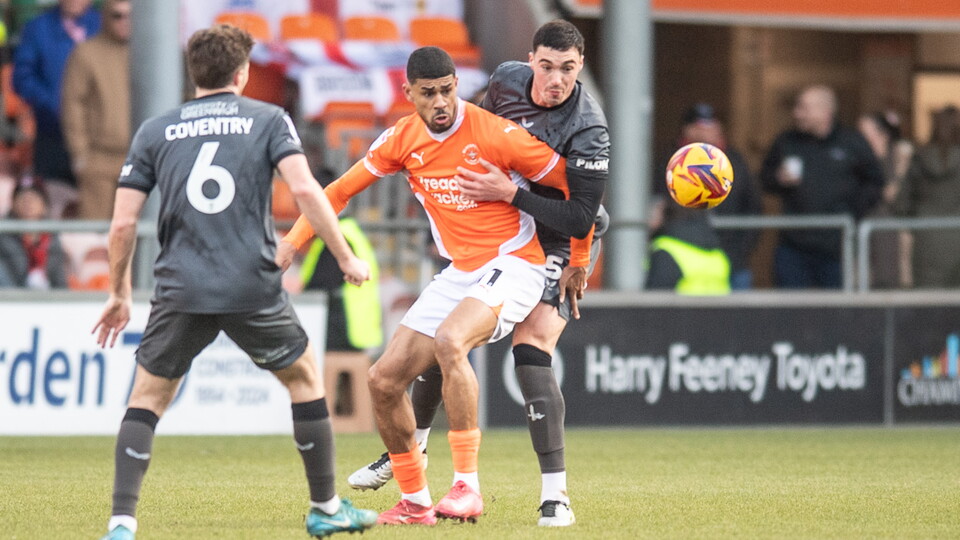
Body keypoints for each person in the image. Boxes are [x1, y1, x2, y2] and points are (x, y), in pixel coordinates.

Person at [91, 25, 377, 540]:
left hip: (181, 288)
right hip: (251, 285)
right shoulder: (268, 119)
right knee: (305, 380)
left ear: (193, 74)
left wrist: (119, 292)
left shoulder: (155, 130)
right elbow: (307, 192)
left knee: (148, 398)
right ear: (242, 74)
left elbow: (121, 224)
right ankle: (325, 507)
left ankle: (121, 524)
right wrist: (345, 255)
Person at [277, 46, 575, 526]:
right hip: (461, 271)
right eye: (429, 93)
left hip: (516, 261)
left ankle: (466, 488)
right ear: (408, 93)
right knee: (383, 379)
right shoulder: (403, 138)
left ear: (456, 84)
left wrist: (574, 253)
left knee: (450, 340)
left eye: (447, 90)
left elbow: (569, 182)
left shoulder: (496, 133)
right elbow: (338, 192)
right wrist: (292, 244)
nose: (440, 102)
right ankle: (416, 502)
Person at [344, 20, 607, 528]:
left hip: (561, 236)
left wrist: (575, 261)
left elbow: (582, 214)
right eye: (547, 66)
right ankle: (410, 455)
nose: (555, 79)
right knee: (442, 345)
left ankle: (556, 495)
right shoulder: (506, 82)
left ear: (579, 68)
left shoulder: (589, 128)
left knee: (529, 354)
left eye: (568, 69)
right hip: (499, 221)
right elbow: (467, 138)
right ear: (530, 60)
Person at [760, 85, 885, 289]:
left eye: (804, 108)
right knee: (789, 313)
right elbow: (765, 179)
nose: (797, 114)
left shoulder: (851, 142)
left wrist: (852, 212)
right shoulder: (787, 141)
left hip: (836, 247)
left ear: (825, 112)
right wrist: (778, 179)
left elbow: (875, 182)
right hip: (793, 246)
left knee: (836, 313)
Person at [13, 0, 100, 217]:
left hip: (96, 140)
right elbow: (22, 77)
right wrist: (53, 105)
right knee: (51, 205)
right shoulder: (38, 28)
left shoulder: (101, 25)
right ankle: (53, 251)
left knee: (96, 208)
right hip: (52, 135)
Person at [673, 103, 760, 289]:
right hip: (686, 260)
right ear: (686, 130)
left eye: (711, 125)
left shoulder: (734, 161)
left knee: (737, 317)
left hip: (732, 261)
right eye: (700, 126)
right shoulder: (671, 163)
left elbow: (753, 207)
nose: (707, 131)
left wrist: (740, 251)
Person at [61, 0, 131, 220]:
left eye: (130, 16)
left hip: (141, 158)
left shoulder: (152, 54)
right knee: (94, 234)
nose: (124, 22)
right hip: (98, 157)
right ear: (105, 17)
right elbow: (73, 104)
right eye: (117, 16)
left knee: (139, 234)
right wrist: (80, 154)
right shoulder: (86, 53)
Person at [300, 214, 383, 352]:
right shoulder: (350, 231)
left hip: (341, 326)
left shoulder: (336, 238)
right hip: (355, 327)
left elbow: (322, 284)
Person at [898, 105, 960, 288]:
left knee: (928, 307)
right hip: (956, 233)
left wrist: (916, 221)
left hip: (926, 238)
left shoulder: (919, 158)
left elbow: (901, 204)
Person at [857, 110, 914, 289]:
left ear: (883, 135)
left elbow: (901, 193)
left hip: (895, 229)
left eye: (865, 134)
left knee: (894, 282)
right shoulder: (857, 161)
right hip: (865, 228)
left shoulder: (901, 156)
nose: (859, 139)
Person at [645, 200, 730, 294]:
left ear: (666, 215)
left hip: (680, 308)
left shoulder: (666, 249)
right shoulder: (717, 252)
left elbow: (655, 299)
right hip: (718, 308)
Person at [0, 176, 68, 289]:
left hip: (48, 300)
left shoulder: (52, 235)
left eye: (33, 198)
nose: (28, 204)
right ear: (13, 204)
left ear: (44, 205)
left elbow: (59, 278)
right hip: (13, 301)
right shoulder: (3, 236)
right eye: (22, 198)